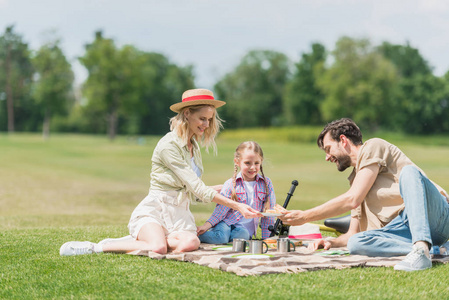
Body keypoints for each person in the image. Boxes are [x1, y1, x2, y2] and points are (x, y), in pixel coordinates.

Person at [59, 88, 262, 256]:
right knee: (158, 248)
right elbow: (196, 186)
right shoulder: (168, 145)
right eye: (202, 118)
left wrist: (228, 187)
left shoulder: (194, 146)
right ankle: (97, 247)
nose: (206, 125)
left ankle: (141, 242)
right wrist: (237, 205)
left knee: (190, 243)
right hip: (157, 209)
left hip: (180, 214)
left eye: (209, 120)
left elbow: (193, 192)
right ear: (187, 113)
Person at [279, 118, 449, 271]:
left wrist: (306, 216)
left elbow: (352, 199)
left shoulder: (373, 146)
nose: (327, 157)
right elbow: (352, 234)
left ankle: (421, 249)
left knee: (409, 172)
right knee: (356, 243)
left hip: (433, 216)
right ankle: (431, 248)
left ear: (343, 140)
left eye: (328, 149)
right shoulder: (356, 180)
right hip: (401, 230)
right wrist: (331, 242)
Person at [197, 141, 276, 243]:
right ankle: (195, 235)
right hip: (226, 223)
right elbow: (220, 211)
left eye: (256, 163)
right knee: (221, 238)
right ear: (237, 162)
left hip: (243, 231)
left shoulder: (266, 184)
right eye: (247, 163)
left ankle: (221, 238)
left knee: (243, 236)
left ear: (261, 161)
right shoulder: (231, 184)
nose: (252, 167)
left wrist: (267, 239)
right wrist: (205, 226)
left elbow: (268, 215)